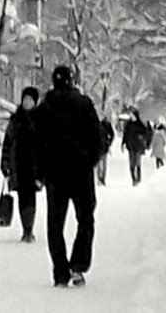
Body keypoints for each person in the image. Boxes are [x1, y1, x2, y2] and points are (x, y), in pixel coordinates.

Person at [34, 63, 102, 288]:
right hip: (81, 172)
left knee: (55, 225)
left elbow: (38, 143)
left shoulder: (45, 107)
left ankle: (60, 272)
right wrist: (90, 160)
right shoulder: (84, 104)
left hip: (56, 175)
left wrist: (42, 172)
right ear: (71, 81)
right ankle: (78, 265)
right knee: (86, 219)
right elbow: (97, 138)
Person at [1, 85, 43, 244]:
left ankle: (29, 229)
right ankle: (25, 229)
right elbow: (8, 143)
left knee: (30, 198)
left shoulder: (39, 120)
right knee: (21, 197)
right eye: (25, 99)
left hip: (33, 167)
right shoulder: (16, 119)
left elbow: (43, 146)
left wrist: (43, 171)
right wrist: (5, 163)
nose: (26, 102)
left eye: (30, 100)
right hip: (17, 164)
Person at [122, 108, 151, 185]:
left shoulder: (140, 124)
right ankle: (133, 179)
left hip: (138, 146)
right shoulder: (128, 124)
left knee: (138, 162)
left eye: (132, 115)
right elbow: (125, 134)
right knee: (131, 163)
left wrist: (141, 136)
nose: (131, 116)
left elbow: (146, 133)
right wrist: (123, 143)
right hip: (130, 146)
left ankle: (138, 178)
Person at [96, 110, 114, 186]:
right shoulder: (95, 124)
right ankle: (99, 178)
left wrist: (109, 142)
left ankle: (102, 178)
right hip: (97, 147)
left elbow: (112, 135)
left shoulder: (107, 125)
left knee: (103, 163)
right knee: (98, 164)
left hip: (104, 147)